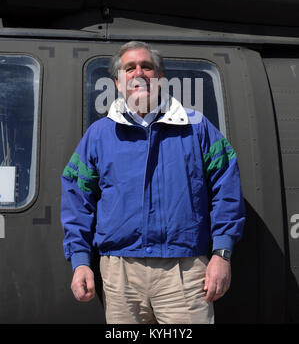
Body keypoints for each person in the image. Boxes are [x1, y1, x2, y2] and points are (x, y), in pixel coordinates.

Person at [60, 41, 245, 324]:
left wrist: (222, 253)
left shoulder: (196, 127)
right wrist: (80, 261)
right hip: (119, 274)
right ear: (118, 82)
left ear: (159, 77)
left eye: (147, 67)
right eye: (129, 68)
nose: (138, 73)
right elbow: (76, 196)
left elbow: (226, 186)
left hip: (184, 271)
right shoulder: (99, 135)